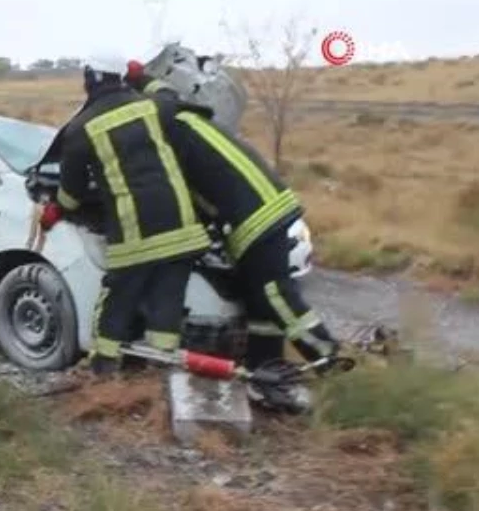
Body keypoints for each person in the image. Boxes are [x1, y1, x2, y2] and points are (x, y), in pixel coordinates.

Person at [39, 56, 212, 378]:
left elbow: (72, 194)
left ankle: (103, 370)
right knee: (167, 305)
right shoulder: (154, 106)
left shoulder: (80, 128)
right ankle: (160, 374)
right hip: (183, 229)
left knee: (117, 302)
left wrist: (55, 209)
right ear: (122, 77)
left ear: (90, 78)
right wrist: (143, 77)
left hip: (136, 237)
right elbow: (173, 96)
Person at [156, 93, 342, 370]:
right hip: (266, 208)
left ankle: (330, 360)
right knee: (260, 303)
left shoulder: (170, 138)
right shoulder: (189, 121)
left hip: (257, 219)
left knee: (275, 295)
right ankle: (265, 366)